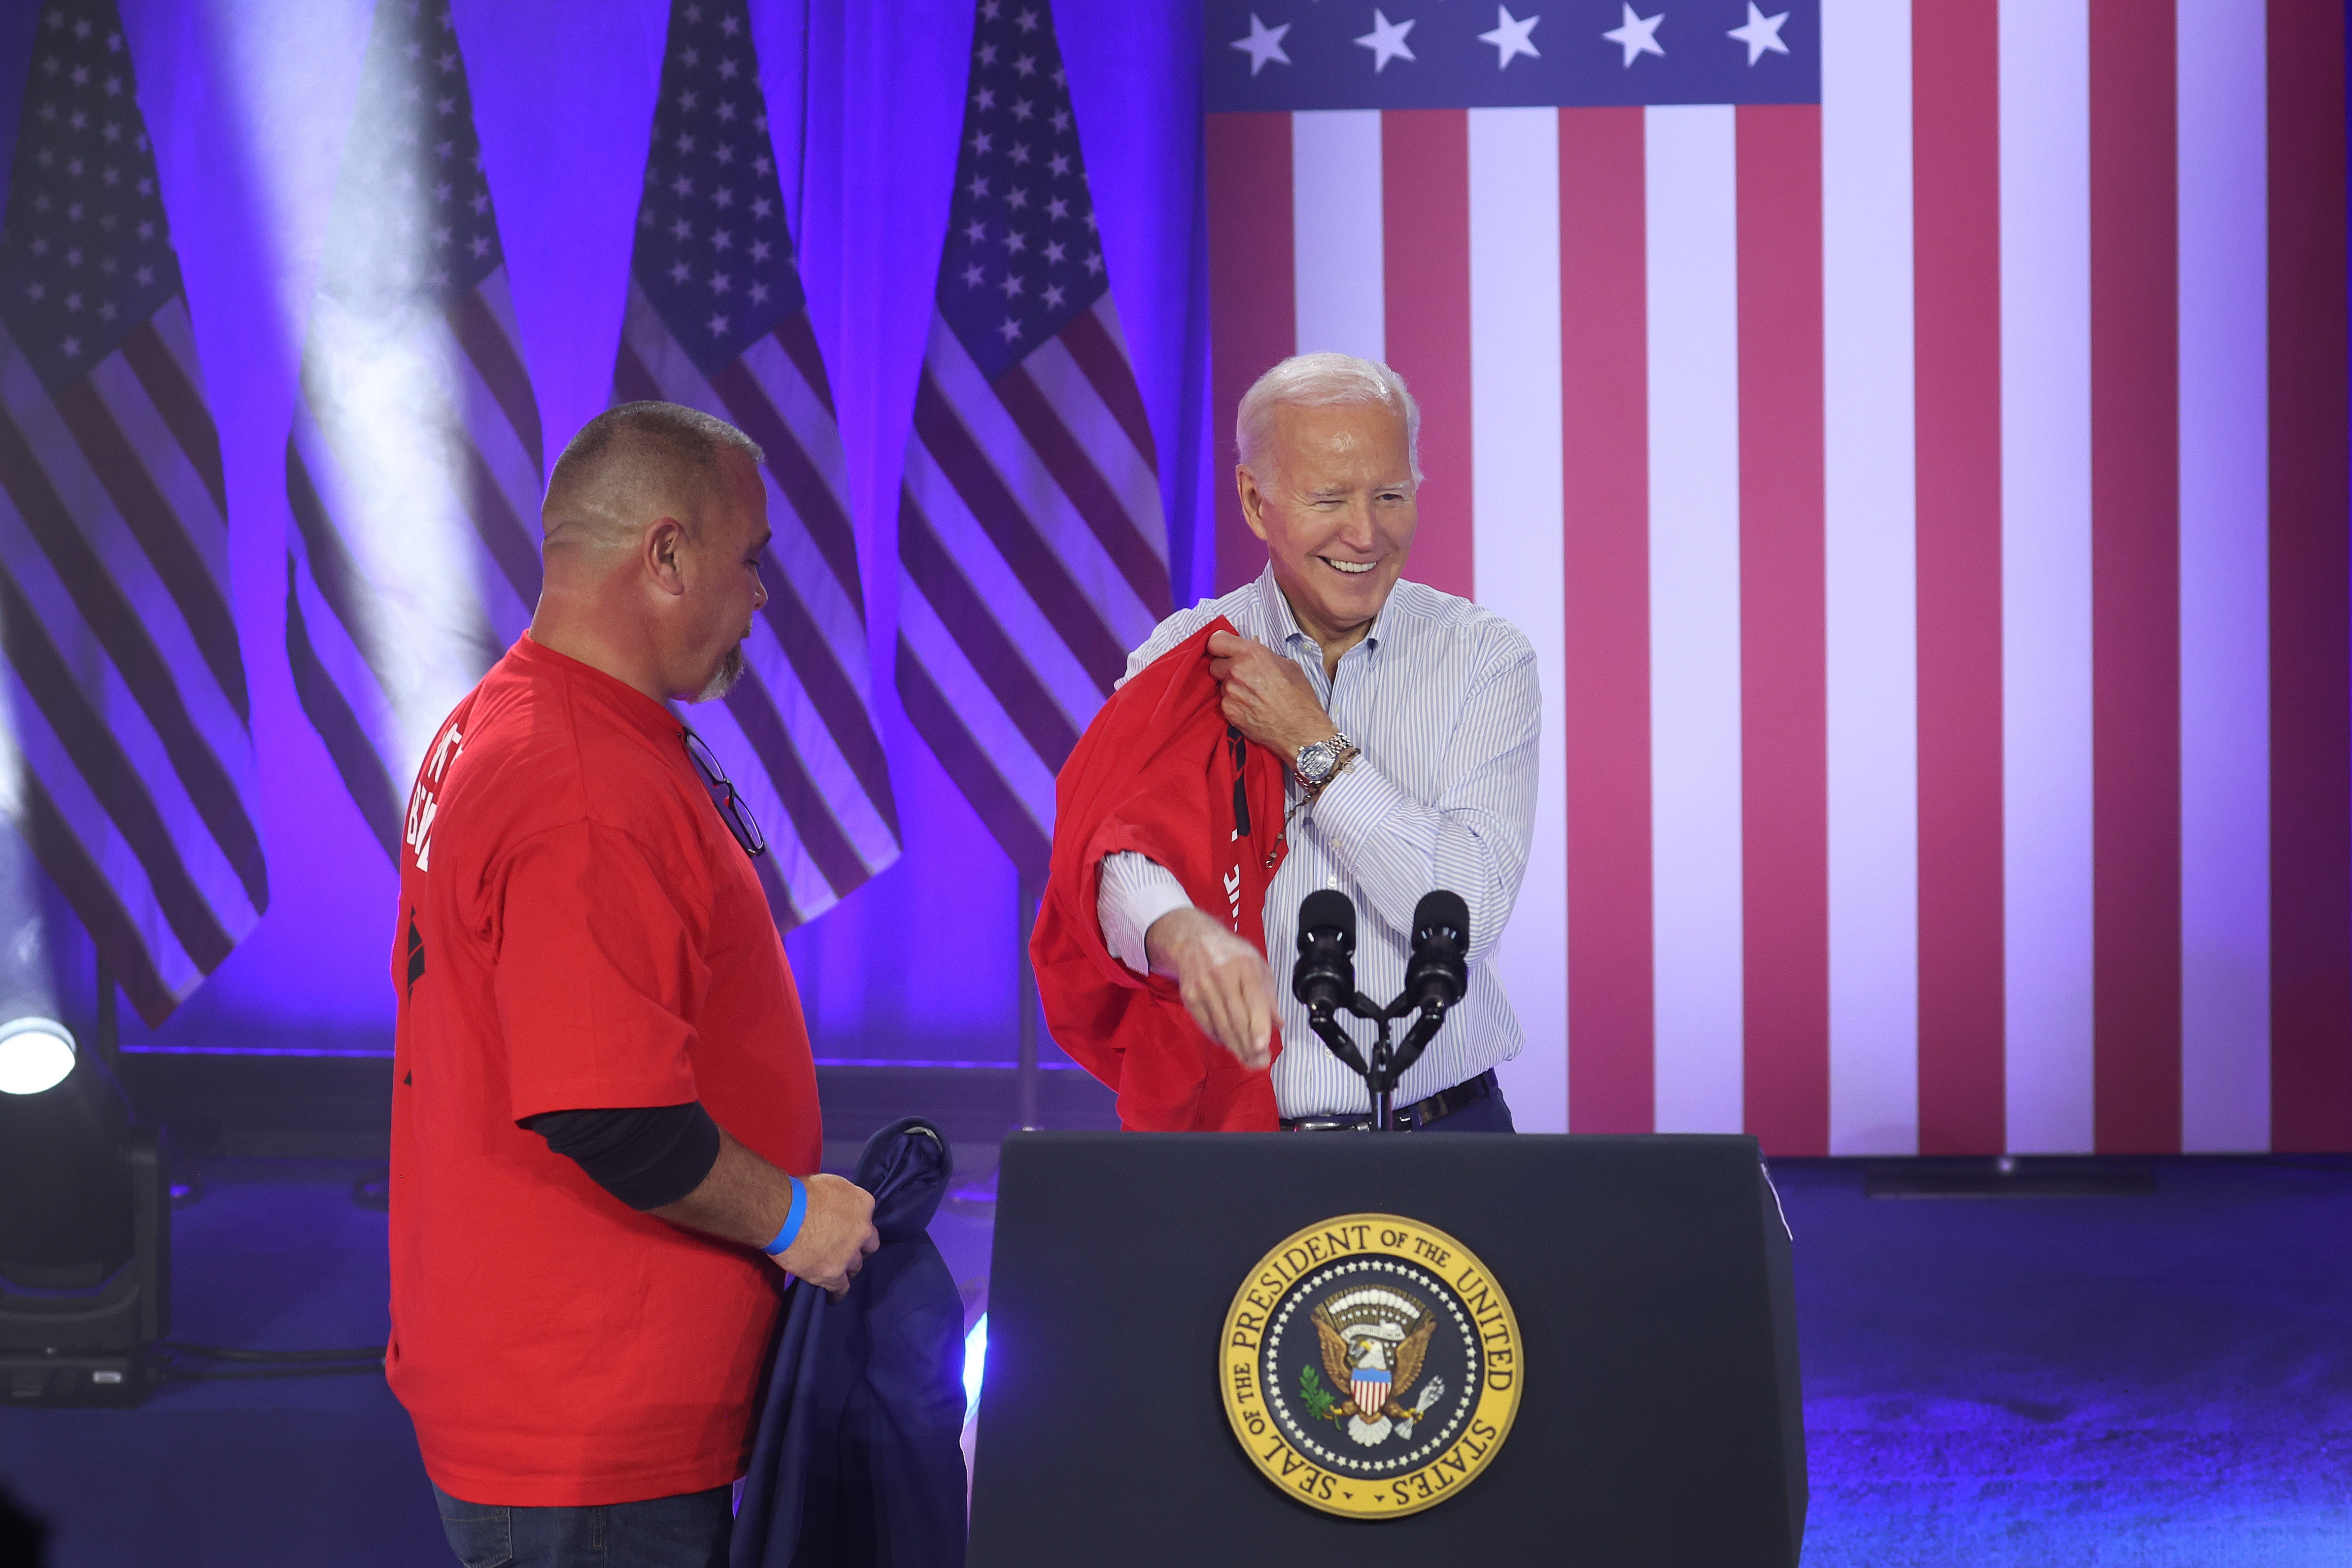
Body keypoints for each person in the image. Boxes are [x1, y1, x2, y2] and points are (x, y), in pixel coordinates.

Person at [387, 402, 879, 1568]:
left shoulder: (512, 711)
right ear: (663, 553)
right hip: (590, 1418)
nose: (761, 596)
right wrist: (800, 1219)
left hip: (554, 1378)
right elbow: (608, 1111)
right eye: (748, 558)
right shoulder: (581, 782)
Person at [1094, 353, 1540, 1131]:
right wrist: (1181, 931)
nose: (1365, 534)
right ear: (1253, 499)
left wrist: (1312, 745)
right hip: (1240, 1148)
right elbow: (1117, 862)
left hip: (1445, 1133)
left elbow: (1469, 908)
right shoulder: (1183, 653)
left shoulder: (1485, 658)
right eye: (1329, 497)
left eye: (1391, 495)